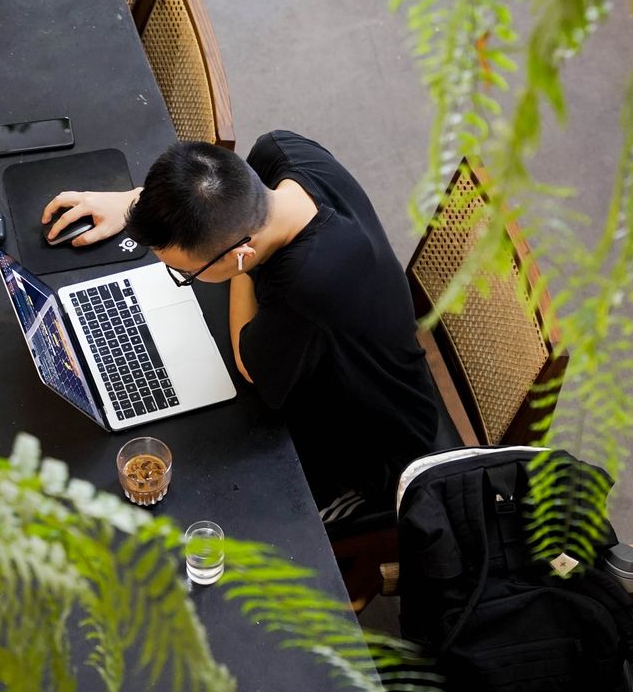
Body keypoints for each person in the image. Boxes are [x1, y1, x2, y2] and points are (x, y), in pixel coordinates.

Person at [42, 131, 458, 518]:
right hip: (334, 336)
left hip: (376, 452)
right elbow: (225, 195)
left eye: (183, 272)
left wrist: (243, 270)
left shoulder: (308, 285)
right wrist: (138, 204)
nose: (181, 277)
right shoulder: (281, 152)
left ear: (240, 253)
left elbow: (247, 360)